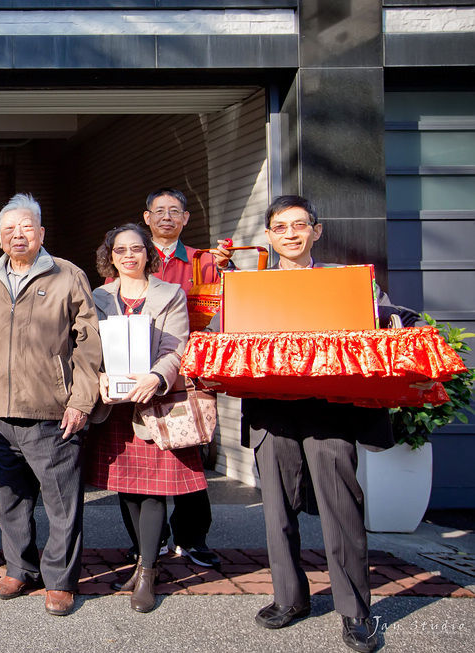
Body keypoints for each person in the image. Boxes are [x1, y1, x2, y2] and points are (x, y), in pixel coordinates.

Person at [209, 195, 417, 653]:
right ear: (268, 235)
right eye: (280, 227)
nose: (290, 233)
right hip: (271, 411)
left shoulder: (346, 282)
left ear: (316, 232)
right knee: (277, 511)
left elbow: (387, 316)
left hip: (331, 409)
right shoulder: (248, 287)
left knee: (341, 508)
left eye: (299, 225)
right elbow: (219, 333)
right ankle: (290, 599)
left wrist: (401, 326)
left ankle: (356, 610)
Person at [0, 193, 102, 617]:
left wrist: (81, 400)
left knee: (62, 502)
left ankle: (60, 581)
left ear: (41, 232)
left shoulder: (67, 275)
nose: (17, 235)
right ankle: (20, 569)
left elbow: (89, 342)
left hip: (52, 412)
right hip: (0, 415)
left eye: (26, 227)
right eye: (9, 230)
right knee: (10, 502)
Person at [87, 223, 200, 613]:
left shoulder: (169, 294)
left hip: (154, 403)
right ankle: (139, 558)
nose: (129, 256)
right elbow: (84, 346)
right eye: (121, 250)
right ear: (111, 256)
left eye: (137, 249)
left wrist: (156, 377)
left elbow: (177, 346)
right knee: (128, 488)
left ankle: (149, 571)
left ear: (148, 253)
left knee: (154, 490)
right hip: (115, 407)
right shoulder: (98, 295)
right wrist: (98, 376)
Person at [134, 187, 233, 569]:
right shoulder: (134, 257)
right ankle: (149, 540)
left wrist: (226, 270)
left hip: (190, 375)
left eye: (175, 211)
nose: (166, 217)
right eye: (158, 211)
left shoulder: (203, 261)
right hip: (145, 372)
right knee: (145, 455)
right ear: (147, 218)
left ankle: (192, 537)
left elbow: (225, 308)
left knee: (188, 455)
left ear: (186, 218)